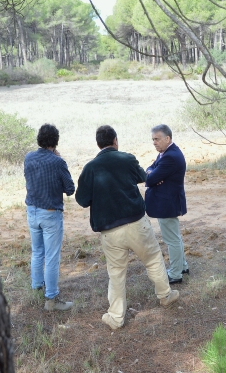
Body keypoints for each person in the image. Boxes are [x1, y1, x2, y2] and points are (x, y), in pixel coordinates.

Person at [75, 125, 180, 330]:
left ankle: (115, 317)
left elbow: (82, 200)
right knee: (152, 259)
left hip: (110, 230)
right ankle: (166, 295)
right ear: (115, 140)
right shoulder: (127, 159)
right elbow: (143, 176)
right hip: (136, 222)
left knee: (116, 273)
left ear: (98, 143)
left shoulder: (90, 168)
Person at [24, 124, 75, 311]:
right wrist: (58, 159)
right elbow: (70, 189)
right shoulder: (57, 162)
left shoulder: (28, 157)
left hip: (32, 210)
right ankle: (51, 299)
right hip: (50, 213)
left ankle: (37, 287)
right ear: (56, 141)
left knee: (37, 251)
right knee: (52, 256)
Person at [145, 124, 189, 284]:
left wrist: (152, 175)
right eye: (153, 140)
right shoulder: (166, 153)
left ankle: (176, 274)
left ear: (167, 138)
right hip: (168, 202)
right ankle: (182, 266)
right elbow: (150, 170)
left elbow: (149, 179)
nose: (154, 143)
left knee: (172, 239)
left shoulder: (170, 156)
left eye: (157, 139)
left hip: (167, 203)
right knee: (175, 237)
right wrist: (153, 173)